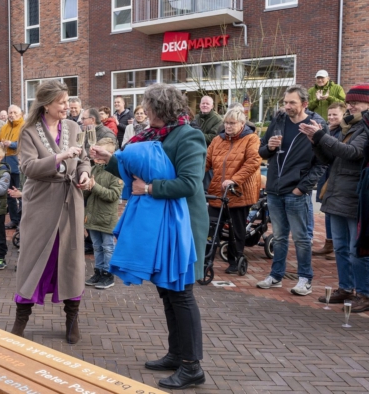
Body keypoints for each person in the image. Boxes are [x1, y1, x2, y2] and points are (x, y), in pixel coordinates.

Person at [90, 83, 208, 390]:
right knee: (167, 291)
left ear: (160, 109)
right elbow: (140, 169)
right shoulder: (155, 134)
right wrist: (110, 158)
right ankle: (177, 353)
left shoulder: (189, 136)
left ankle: (193, 366)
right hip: (161, 225)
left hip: (183, 227)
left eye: (149, 106)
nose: (145, 111)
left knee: (181, 293)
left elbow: (190, 184)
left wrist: (152, 189)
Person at [10, 80, 91, 346]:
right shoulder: (29, 131)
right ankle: (21, 319)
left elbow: (83, 158)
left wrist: (84, 175)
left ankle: (72, 318)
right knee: (33, 259)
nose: (67, 106)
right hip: (41, 204)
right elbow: (29, 167)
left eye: (68, 101)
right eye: (62, 102)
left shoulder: (73, 127)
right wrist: (59, 157)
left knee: (70, 259)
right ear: (47, 104)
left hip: (70, 202)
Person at [256, 85, 327, 295]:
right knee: (278, 236)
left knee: (302, 238)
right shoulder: (278, 120)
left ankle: (305, 279)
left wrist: (302, 188)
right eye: (285, 102)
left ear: (304, 104)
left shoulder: (315, 126)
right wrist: (268, 147)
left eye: (292, 103)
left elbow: (323, 162)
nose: (287, 106)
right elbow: (262, 151)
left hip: (296, 191)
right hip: (275, 189)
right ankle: (276, 276)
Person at [306, 88, 368, 311]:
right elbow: (331, 159)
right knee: (341, 247)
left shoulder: (365, 129)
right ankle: (345, 289)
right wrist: (316, 142)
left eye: (355, 103)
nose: (350, 106)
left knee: (357, 249)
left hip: (355, 197)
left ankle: (364, 293)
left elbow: (352, 153)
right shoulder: (347, 127)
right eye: (349, 102)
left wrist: (322, 136)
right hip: (336, 194)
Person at [205, 108, 262, 273]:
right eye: (226, 123)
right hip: (218, 189)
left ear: (242, 124)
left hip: (239, 190)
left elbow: (253, 161)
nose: (228, 126)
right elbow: (206, 161)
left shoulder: (251, 139)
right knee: (211, 226)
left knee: (236, 229)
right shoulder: (217, 140)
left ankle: (235, 260)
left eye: (232, 123)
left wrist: (235, 180)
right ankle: (206, 259)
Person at [83, 137, 123, 290]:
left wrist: (94, 187)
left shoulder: (116, 172)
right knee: (97, 247)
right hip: (92, 217)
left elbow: (113, 195)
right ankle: (98, 271)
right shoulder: (93, 170)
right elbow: (87, 194)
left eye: (99, 153)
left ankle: (108, 274)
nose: (96, 156)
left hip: (106, 219)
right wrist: (84, 187)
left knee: (107, 247)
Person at [313, 103, 345, 258]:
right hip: (326, 174)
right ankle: (329, 243)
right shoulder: (326, 130)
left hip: (337, 175)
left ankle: (338, 245)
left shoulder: (344, 132)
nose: (331, 118)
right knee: (326, 210)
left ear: (343, 115)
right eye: (330, 115)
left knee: (337, 211)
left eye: (335, 115)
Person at [0, 105, 24, 229]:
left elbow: (25, 144)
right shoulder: (4, 127)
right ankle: (14, 219)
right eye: (10, 112)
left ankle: (23, 221)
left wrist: (12, 144)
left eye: (15, 112)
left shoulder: (25, 127)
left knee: (21, 194)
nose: (12, 114)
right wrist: (1, 144)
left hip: (19, 166)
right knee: (9, 195)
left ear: (20, 114)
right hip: (6, 165)